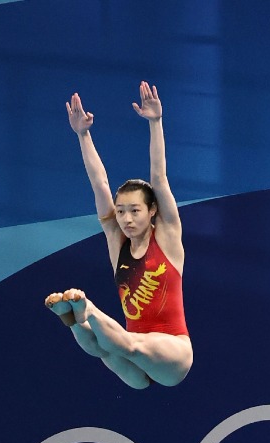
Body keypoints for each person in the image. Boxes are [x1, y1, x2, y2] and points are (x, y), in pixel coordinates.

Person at [46, 81, 192, 389]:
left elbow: (159, 176)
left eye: (135, 211)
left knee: (126, 344)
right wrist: (82, 135)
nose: (125, 218)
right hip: (129, 354)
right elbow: (99, 184)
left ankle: (88, 311)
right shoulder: (117, 241)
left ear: (152, 211)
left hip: (172, 352)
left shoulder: (166, 234)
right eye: (121, 211)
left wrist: (156, 122)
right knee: (103, 349)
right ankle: (71, 318)